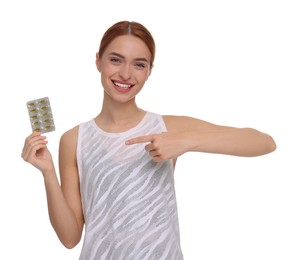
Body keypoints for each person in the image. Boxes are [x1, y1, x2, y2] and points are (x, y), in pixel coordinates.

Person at [21, 20, 276, 260]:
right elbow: (69, 237)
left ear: (149, 71)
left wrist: (187, 141)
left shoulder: (168, 127)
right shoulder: (74, 139)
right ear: (98, 61)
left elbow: (264, 142)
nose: (126, 74)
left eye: (139, 64)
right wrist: (47, 172)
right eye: (115, 60)